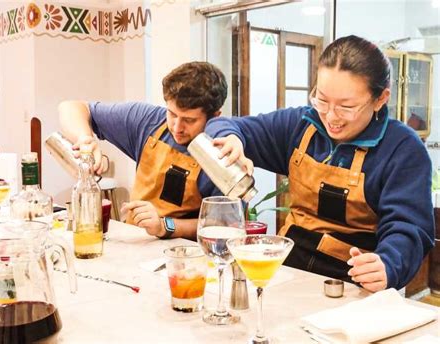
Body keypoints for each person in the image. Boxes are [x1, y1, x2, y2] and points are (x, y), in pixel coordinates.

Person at [205, 35, 434, 292]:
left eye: (347, 107)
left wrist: (389, 264)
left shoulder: (402, 149)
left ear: (380, 99)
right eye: (322, 100)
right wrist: (231, 139)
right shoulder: (301, 125)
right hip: (287, 272)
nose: (330, 117)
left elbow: (409, 227)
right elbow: (224, 125)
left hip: (353, 282)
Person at [59, 61, 227, 240]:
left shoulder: (224, 154)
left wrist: (165, 226)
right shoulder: (148, 121)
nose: (177, 127)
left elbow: (223, 225)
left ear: (215, 116)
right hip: (136, 241)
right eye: (172, 114)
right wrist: (85, 139)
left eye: (189, 120)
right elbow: (72, 107)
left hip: (186, 255)